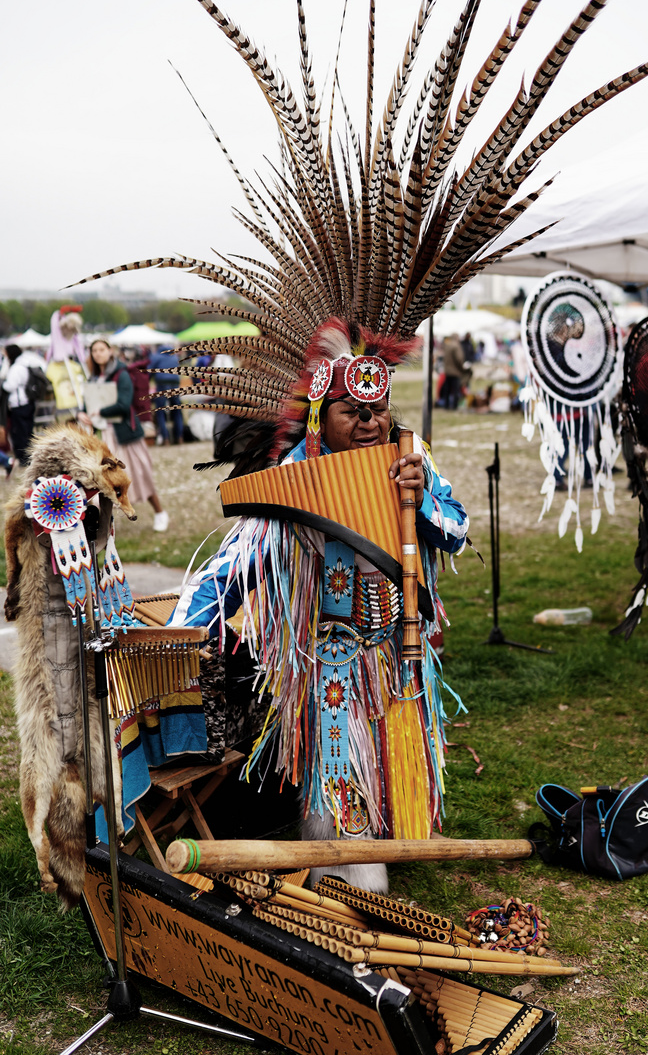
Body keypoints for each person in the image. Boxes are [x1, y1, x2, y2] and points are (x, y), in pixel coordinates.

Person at [171, 322, 468, 891]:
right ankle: (344, 868)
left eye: (378, 408)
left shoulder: (411, 458)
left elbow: (457, 531)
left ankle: (394, 835)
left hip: (399, 652)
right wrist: (183, 635)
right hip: (330, 662)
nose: (370, 422)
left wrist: (420, 498)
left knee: (396, 762)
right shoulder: (295, 480)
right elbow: (232, 568)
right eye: (351, 411)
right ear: (319, 416)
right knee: (340, 777)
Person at [77, 339, 169, 531]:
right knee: (103, 480)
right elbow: (88, 402)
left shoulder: (122, 374)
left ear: (110, 351)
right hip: (102, 436)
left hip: (124, 435)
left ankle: (160, 512)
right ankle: (104, 526)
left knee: (139, 476)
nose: (98, 353)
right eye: (94, 350)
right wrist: (82, 413)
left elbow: (124, 403)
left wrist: (100, 412)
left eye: (102, 349)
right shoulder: (93, 378)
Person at [2, 344, 46, 465]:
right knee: (27, 431)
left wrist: (3, 386)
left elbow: (10, 385)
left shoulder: (16, 367)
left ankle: (23, 458)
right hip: (28, 402)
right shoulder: (25, 363)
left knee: (19, 432)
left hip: (19, 403)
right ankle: (29, 456)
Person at [149, 345, 184, 446]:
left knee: (160, 411)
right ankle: (179, 437)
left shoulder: (156, 357)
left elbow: (150, 371)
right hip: (174, 383)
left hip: (162, 383)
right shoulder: (174, 357)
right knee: (177, 411)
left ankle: (166, 439)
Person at [442, 332, 473, 410]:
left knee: (448, 390)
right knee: (455, 390)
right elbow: (459, 359)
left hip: (447, 371)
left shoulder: (447, 345)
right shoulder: (456, 346)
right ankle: (454, 406)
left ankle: (446, 405)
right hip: (455, 371)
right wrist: (462, 368)